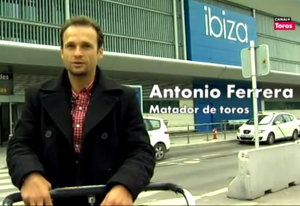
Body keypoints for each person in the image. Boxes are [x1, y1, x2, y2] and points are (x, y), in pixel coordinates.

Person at [6, 15, 156, 206]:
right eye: (70, 46)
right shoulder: (37, 96)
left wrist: (125, 185)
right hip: (53, 201)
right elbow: (20, 144)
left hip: (104, 201)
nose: (77, 53)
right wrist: (29, 175)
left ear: (100, 52)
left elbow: (141, 151)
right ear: (61, 52)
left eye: (86, 46)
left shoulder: (123, 98)